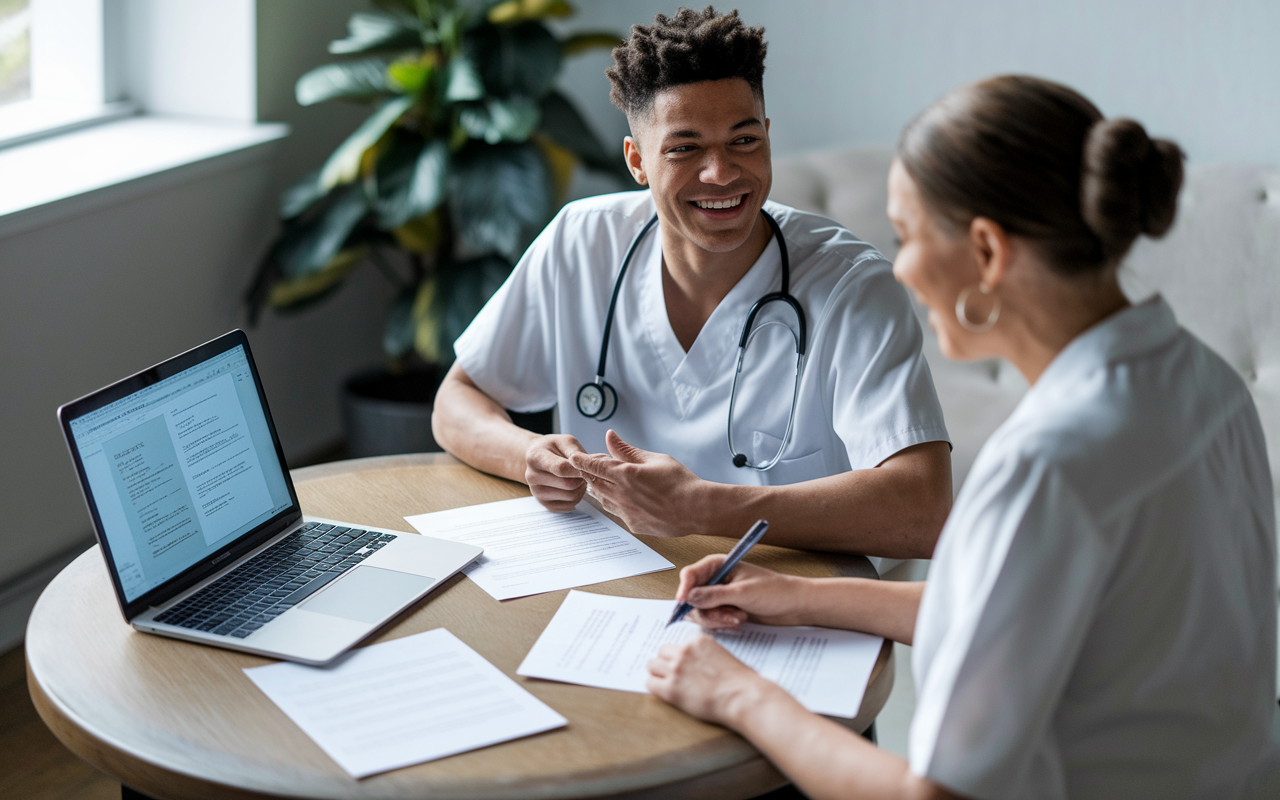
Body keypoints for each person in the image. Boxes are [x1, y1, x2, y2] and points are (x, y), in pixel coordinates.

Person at [645, 75, 1280, 799]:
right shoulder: (1204, 382)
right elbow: (1004, 603)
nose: (903, 268)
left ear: (985, 250)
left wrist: (735, 695)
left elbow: (935, 795)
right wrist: (793, 596)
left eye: (906, 236)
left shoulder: (1048, 465)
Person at [432, 8, 952, 557]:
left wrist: (700, 507)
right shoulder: (580, 243)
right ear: (637, 161)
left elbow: (923, 510)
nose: (721, 173)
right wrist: (528, 454)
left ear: (768, 137)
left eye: (743, 141)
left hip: (787, 588)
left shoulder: (850, 284)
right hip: (605, 576)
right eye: (684, 148)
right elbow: (457, 399)